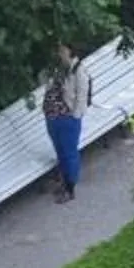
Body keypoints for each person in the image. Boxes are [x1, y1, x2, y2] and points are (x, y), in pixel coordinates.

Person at [42, 44, 91, 202]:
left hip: (67, 118)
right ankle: (63, 183)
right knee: (60, 152)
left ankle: (70, 187)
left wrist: (75, 116)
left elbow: (82, 96)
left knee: (69, 153)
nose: (59, 53)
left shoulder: (78, 71)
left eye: (63, 50)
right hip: (53, 117)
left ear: (71, 51)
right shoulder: (60, 69)